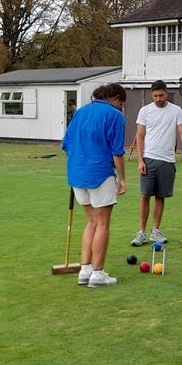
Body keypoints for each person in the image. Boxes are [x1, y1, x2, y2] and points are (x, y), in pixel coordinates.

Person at [62, 83, 128, 288]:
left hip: (76, 174)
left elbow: (66, 144)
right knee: (102, 224)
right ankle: (98, 274)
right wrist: (123, 178)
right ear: (115, 98)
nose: (121, 107)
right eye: (122, 103)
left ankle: (85, 270)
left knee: (91, 221)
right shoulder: (115, 116)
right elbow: (117, 152)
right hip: (100, 174)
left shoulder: (80, 112)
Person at [131, 80, 182, 247]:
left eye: (161, 95)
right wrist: (140, 160)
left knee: (160, 196)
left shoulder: (176, 110)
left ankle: (155, 231)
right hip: (148, 158)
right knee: (145, 195)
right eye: (155, 96)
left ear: (167, 93)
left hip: (167, 160)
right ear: (152, 95)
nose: (158, 98)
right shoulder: (145, 111)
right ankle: (141, 233)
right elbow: (140, 136)